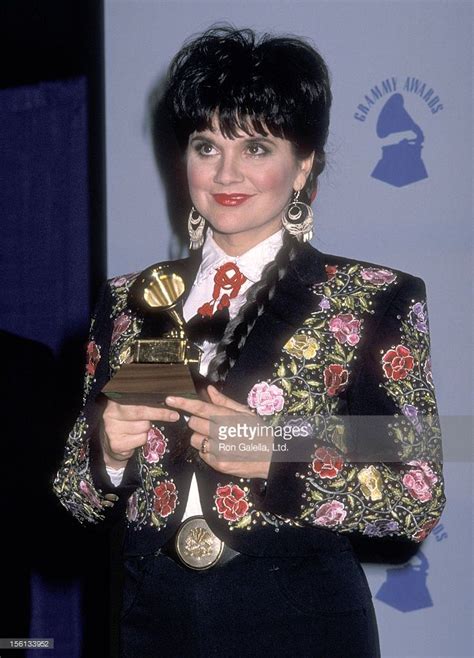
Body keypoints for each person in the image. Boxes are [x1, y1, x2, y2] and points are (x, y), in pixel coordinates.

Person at [53, 26, 446, 658]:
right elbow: (76, 493)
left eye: (257, 146)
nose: (226, 172)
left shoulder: (372, 296)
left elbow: (416, 489)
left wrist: (279, 450)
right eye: (206, 146)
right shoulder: (134, 298)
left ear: (305, 163)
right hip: (153, 626)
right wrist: (108, 449)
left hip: (302, 623)